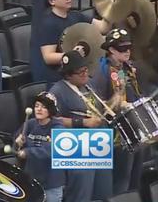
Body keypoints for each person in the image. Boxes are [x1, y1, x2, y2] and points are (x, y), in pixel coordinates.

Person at [48, 50, 112, 202]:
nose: (85, 74)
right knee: (82, 194)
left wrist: (115, 101)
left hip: (98, 141)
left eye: (86, 70)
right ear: (68, 75)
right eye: (80, 72)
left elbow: (99, 108)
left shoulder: (88, 85)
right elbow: (50, 120)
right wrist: (82, 122)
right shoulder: (57, 91)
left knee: (103, 190)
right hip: (76, 144)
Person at [91, 28, 144, 195]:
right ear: (111, 50)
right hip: (116, 134)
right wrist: (118, 102)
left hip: (134, 126)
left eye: (129, 48)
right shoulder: (102, 72)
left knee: (136, 175)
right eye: (122, 49)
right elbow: (96, 108)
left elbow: (135, 92)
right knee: (122, 177)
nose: (127, 52)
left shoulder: (126, 67)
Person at [36, 0, 110, 88]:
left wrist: (110, 12)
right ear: (52, 1)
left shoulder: (76, 16)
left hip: (80, 72)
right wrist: (74, 54)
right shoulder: (48, 24)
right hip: (61, 76)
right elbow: (48, 57)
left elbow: (103, 28)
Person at [14, 92, 65, 202]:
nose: (39, 109)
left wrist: (27, 152)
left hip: (51, 182)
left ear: (51, 110)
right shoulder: (30, 123)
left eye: (44, 107)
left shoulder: (58, 128)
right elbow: (16, 145)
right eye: (37, 106)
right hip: (31, 179)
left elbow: (51, 150)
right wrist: (18, 142)